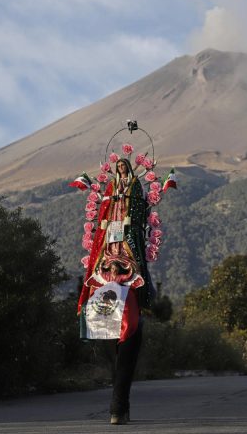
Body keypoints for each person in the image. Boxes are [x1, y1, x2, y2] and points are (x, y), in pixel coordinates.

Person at [78, 157, 154, 425]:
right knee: (125, 350)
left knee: (120, 353)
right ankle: (119, 405)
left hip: (121, 279)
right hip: (123, 291)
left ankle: (119, 405)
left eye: (124, 167)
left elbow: (137, 208)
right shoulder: (111, 191)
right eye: (118, 167)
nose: (121, 170)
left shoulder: (133, 187)